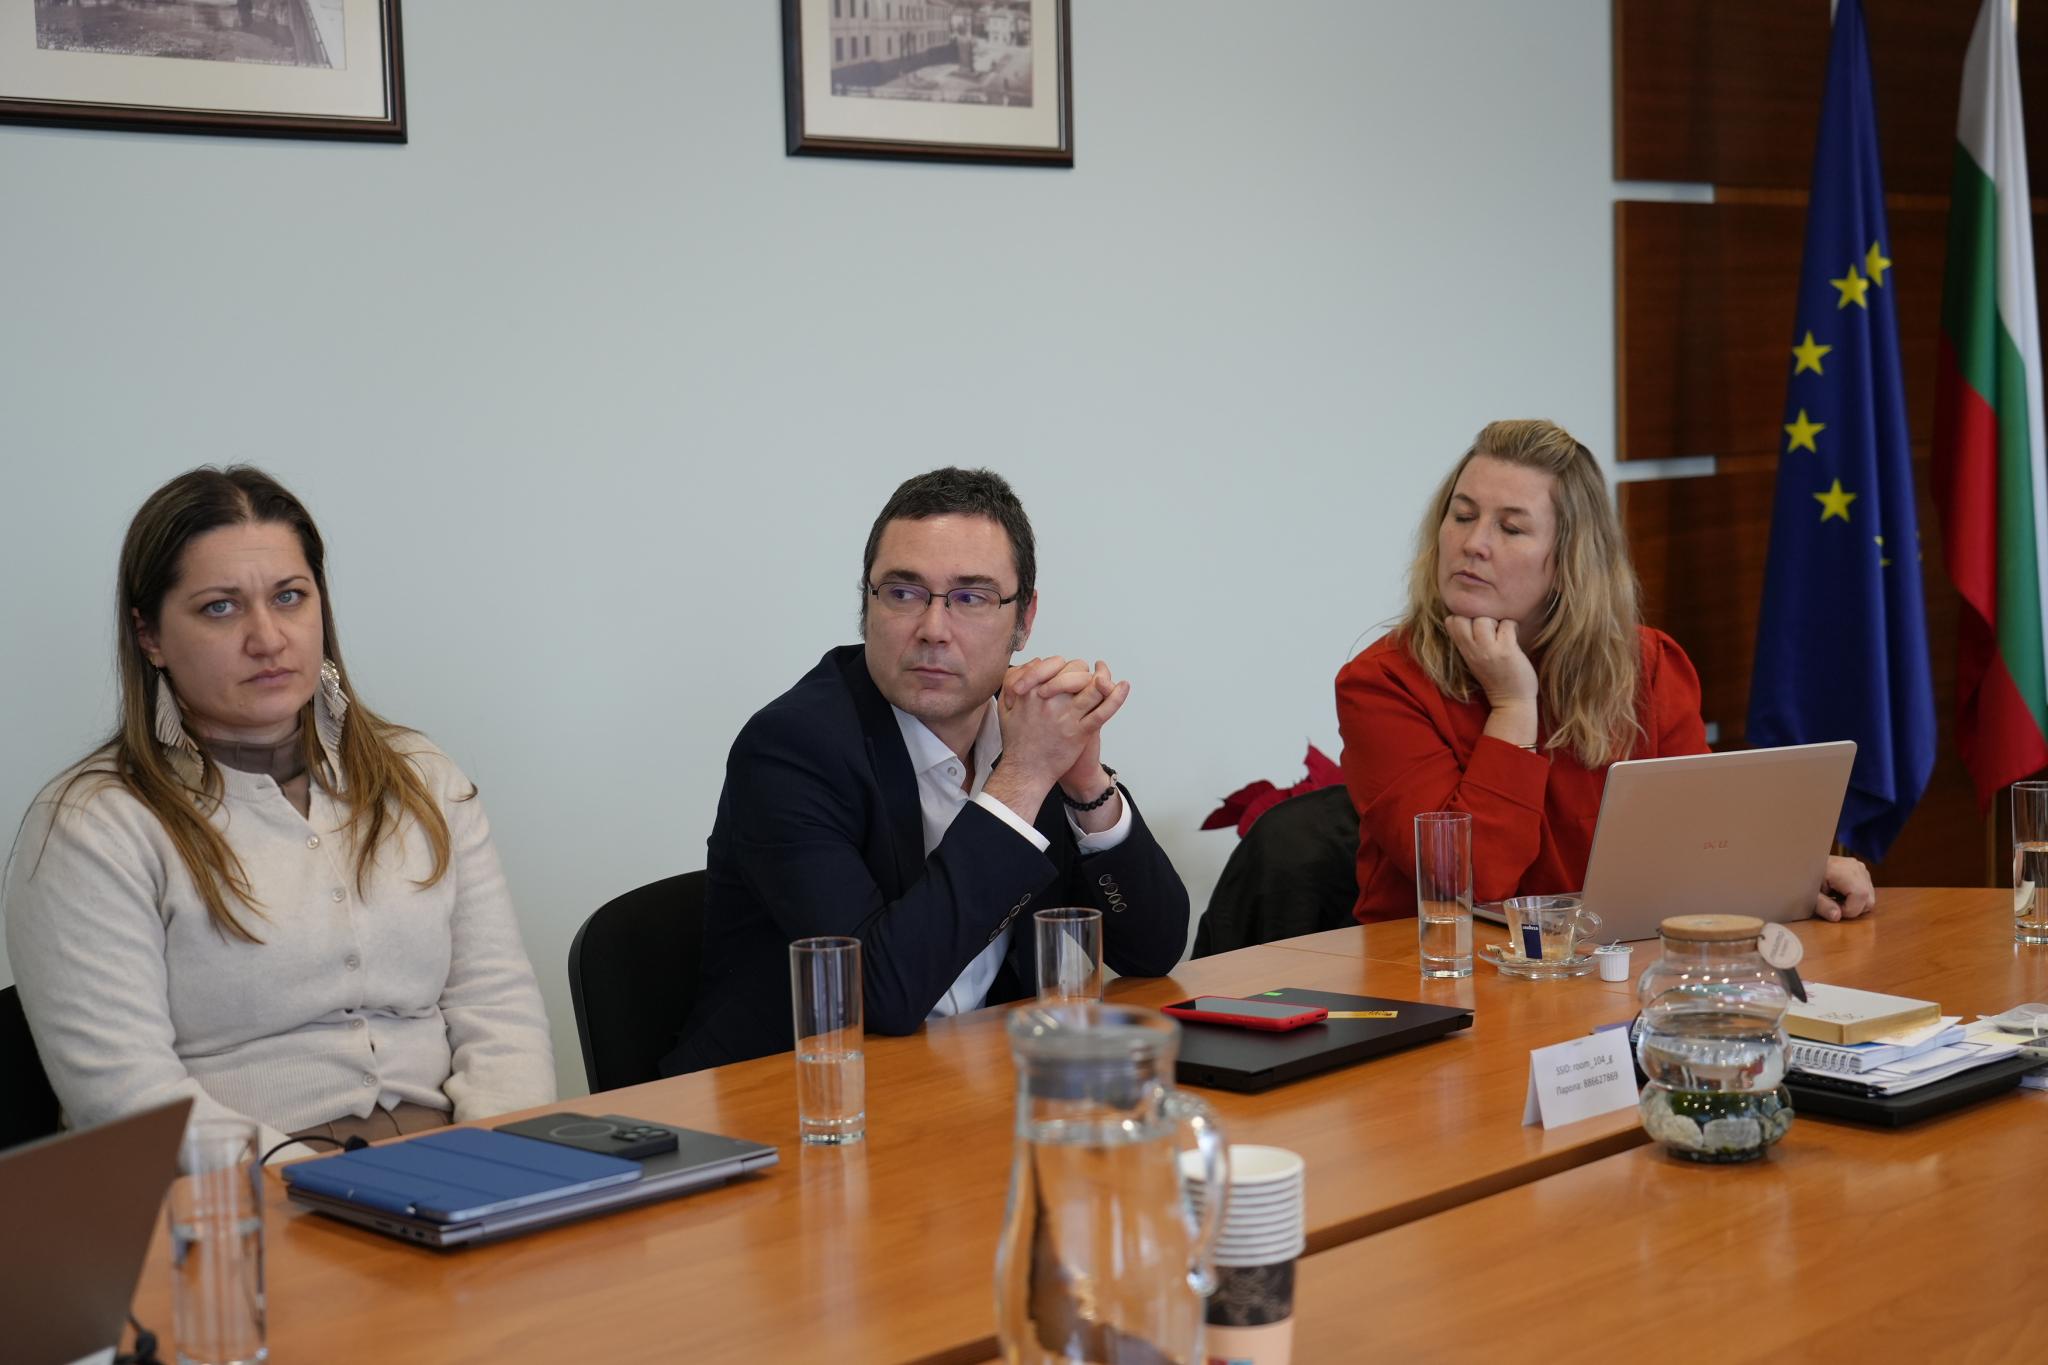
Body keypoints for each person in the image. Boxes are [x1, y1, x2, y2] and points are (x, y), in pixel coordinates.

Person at [4, 467, 554, 1158]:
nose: (267, 637)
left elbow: (498, 1007)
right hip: (244, 1193)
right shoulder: (91, 825)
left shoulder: (421, 776)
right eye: (220, 608)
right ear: (149, 635)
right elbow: (127, 1094)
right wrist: (305, 1184)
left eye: (289, 597)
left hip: (459, 1160)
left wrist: (505, 1159)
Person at [663, 466, 1190, 1074]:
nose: (934, 630)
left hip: (963, 1081)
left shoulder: (1025, 725)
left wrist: (1084, 786)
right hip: (796, 1097)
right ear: (866, 603)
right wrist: (1022, 778)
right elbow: (879, 995)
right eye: (903, 593)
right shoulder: (789, 749)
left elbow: (1152, 950)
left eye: (971, 598)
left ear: (1024, 619)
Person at [1335, 419, 1875, 923]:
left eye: (1511, 528)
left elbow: (1698, 842)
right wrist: (1514, 706)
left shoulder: (1648, 666)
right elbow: (1472, 880)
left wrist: (1789, 873)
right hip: (1438, 974)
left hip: (1605, 964)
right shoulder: (1382, 685)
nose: (1473, 544)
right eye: (1462, 515)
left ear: (1571, 559)